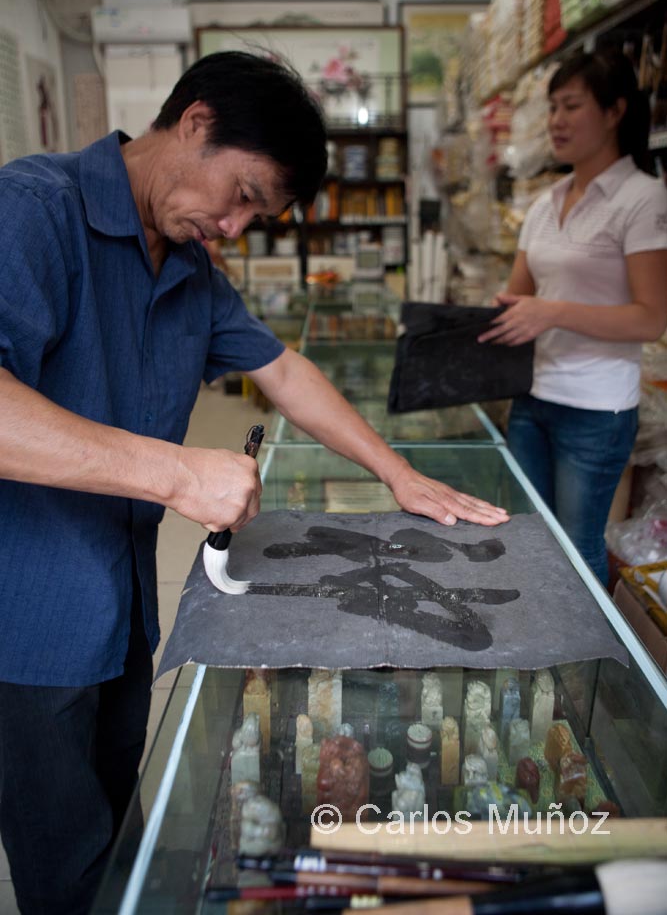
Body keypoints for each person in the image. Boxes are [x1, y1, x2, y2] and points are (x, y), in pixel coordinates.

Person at [0, 50, 507, 915]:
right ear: (195, 122)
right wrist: (173, 470)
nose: (236, 227)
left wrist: (397, 472)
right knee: (64, 863)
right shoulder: (32, 210)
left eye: (256, 216)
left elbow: (283, 371)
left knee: (119, 831)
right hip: (27, 619)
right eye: (241, 194)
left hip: (122, 603)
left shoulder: (188, 266)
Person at [479, 50, 667, 586]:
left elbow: (650, 319)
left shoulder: (643, 198)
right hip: (532, 398)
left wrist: (553, 312)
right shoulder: (545, 202)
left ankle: (584, 644)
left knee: (577, 548)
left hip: (596, 410)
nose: (556, 121)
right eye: (552, 108)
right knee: (526, 535)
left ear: (614, 111)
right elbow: (516, 299)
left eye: (571, 106)